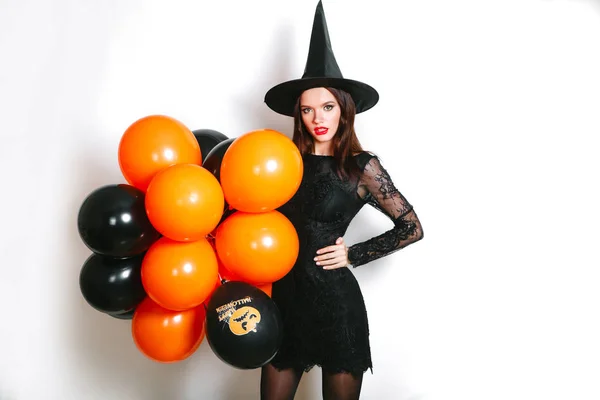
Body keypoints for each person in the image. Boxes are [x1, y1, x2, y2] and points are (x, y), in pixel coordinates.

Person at [260, 2, 424, 399]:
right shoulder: (280, 162)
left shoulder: (361, 166)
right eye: (308, 109)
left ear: (343, 110)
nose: (319, 117)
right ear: (299, 115)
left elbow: (412, 227)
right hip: (283, 304)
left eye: (328, 106)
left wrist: (353, 254)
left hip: (336, 308)